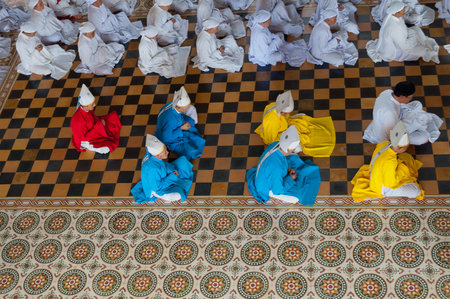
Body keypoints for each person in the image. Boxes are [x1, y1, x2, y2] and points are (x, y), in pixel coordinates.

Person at [246, 125, 321, 205]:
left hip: (267, 173)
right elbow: (277, 191)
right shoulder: (277, 170)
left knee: (292, 157)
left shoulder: (275, 144)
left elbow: (278, 163)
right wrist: (290, 179)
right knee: (295, 198)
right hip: (265, 188)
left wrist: (285, 169)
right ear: (289, 149)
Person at [352, 121, 424, 202]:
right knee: (416, 191)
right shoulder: (390, 162)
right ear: (400, 148)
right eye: (406, 147)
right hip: (381, 187)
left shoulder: (384, 144)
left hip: (376, 176)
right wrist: (403, 170)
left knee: (406, 157)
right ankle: (378, 195)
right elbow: (390, 184)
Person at [255, 90, 336, 157]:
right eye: (287, 113)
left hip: (285, 126)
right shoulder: (271, 121)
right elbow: (271, 140)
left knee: (302, 119)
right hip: (279, 135)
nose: (288, 114)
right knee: (297, 144)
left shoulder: (275, 106)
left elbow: (285, 119)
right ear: (282, 112)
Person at [363, 81, 442, 146]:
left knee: (417, 104)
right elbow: (392, 137)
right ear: (402, 97)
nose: (410, 99)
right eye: (410, 98)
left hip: (394, 118)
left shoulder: (387, 92)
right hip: (388, 134)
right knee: (424, 138)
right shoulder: (390, 114)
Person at [366, 1, 439, 64]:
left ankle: (422, 42)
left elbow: (403, 29)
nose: (404, 11)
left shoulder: (393, 17)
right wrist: (413, 36)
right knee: (423, 50)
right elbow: (405, 46)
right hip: (400, 47)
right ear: (397, 12)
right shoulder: (393, 28)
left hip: (405, 36)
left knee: (417, 30)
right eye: (402, 10)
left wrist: (411, 33)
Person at [131, 134, 194, 203]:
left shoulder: (154, 157)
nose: (167, 152)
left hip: (162, 177)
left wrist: (172, 170)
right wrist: (172, 176)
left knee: (183, 161)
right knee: (178, 194)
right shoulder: (153, 169)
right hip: (158, 189)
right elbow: (158, 187)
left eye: (166, 150)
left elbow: (164, 166)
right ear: (158, 155)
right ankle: (159, 196)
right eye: (164, 152)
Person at [155, 86, 205, 160]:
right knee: (191, 151)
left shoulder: (172, 104)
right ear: (179, 108)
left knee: (191, 114)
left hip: (175, 123)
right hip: (171, 138)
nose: (187, 107)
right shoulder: (171, 120)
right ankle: (170, 147)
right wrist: (181, 128)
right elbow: (167, 137)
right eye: (186, 107)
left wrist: (182, 123)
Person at [70, 84, 122, 154]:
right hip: (87, 140)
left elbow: (94, 119)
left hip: (94, 128)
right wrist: (99, 125)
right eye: (92, 104)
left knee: (113, 117)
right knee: (106, 148)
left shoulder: (87, 109)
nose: (94, 105)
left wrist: (100, 123)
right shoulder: (79, 122)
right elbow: (84, 138)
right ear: (86, 106)